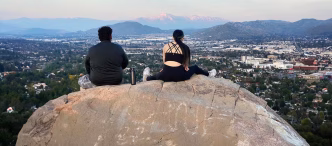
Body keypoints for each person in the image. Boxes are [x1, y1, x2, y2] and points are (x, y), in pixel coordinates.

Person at [143, 30, 216, 82]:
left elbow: (165, 61)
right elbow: (185, 65)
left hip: (166, 74)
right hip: (180, 76)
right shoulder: (185, 47)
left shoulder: (166, 46)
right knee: (195, 68)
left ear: (173, 37)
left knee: (157, 75)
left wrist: (164, 70)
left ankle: (146, 78)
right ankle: (209, 74)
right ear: (183, 38)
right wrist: (184, 67)